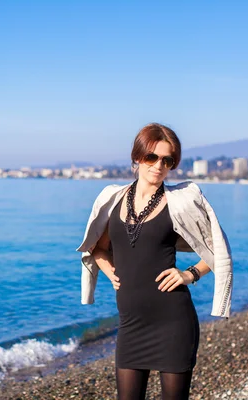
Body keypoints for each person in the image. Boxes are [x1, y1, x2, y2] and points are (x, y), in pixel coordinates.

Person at [77, 123, 233, 400]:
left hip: (173, 322)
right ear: (137, 158)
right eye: (152, 157)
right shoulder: (112, 199)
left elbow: (218, 250)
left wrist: (190, 274)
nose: (159, 165)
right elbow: (97, 249)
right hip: (130, 325)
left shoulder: (182, 200)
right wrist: (108, 270)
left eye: (167, 160)